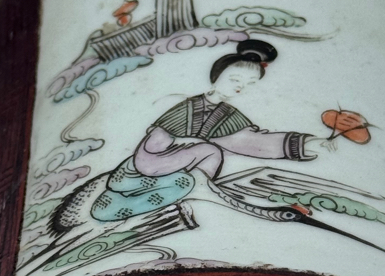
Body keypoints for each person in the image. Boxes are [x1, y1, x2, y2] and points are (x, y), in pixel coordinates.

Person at [134, 39, 328, 180]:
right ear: (215, 77)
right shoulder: (189, 105)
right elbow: (156, 139)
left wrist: (303, 144)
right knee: (211, 150)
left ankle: (197, 186)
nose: (240, 87)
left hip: (188, 160)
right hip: (154, 159)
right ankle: (198, 186)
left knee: (222, 148)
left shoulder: (229, 113)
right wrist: (187, 143)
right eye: (234, 80)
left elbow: (251, 141)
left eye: (250, 83)